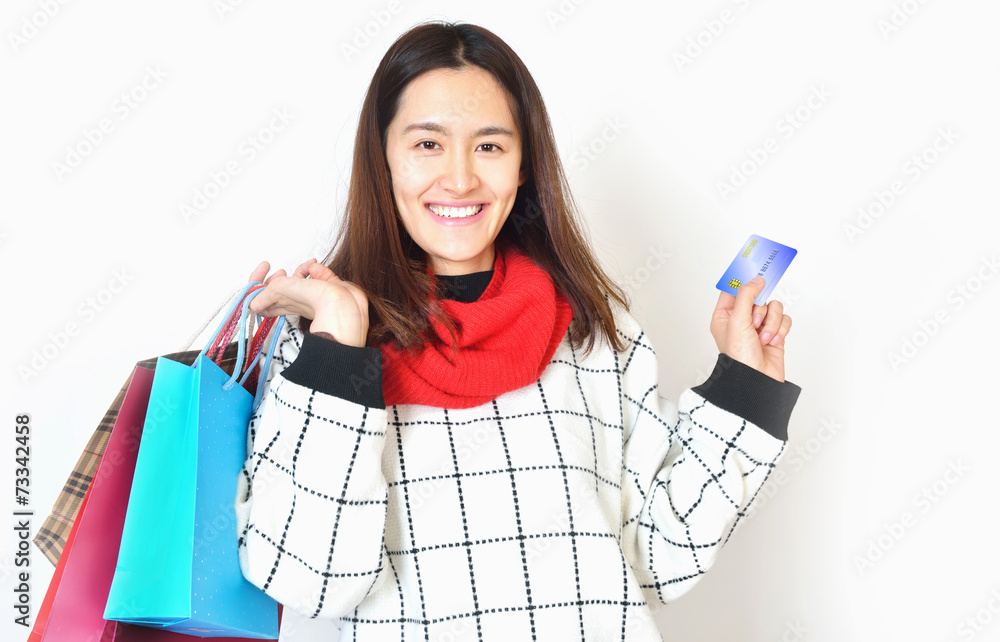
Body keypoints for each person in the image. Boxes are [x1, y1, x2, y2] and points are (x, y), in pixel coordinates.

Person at [234, 21, 801, 641]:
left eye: (489, 146)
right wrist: (340, 346)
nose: (459, 179)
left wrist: (743, 388)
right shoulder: (319, 345)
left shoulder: (591, 330)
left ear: (524, 164)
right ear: (383, 158)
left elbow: (653, 558)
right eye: (427, 144)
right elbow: (308, 580)